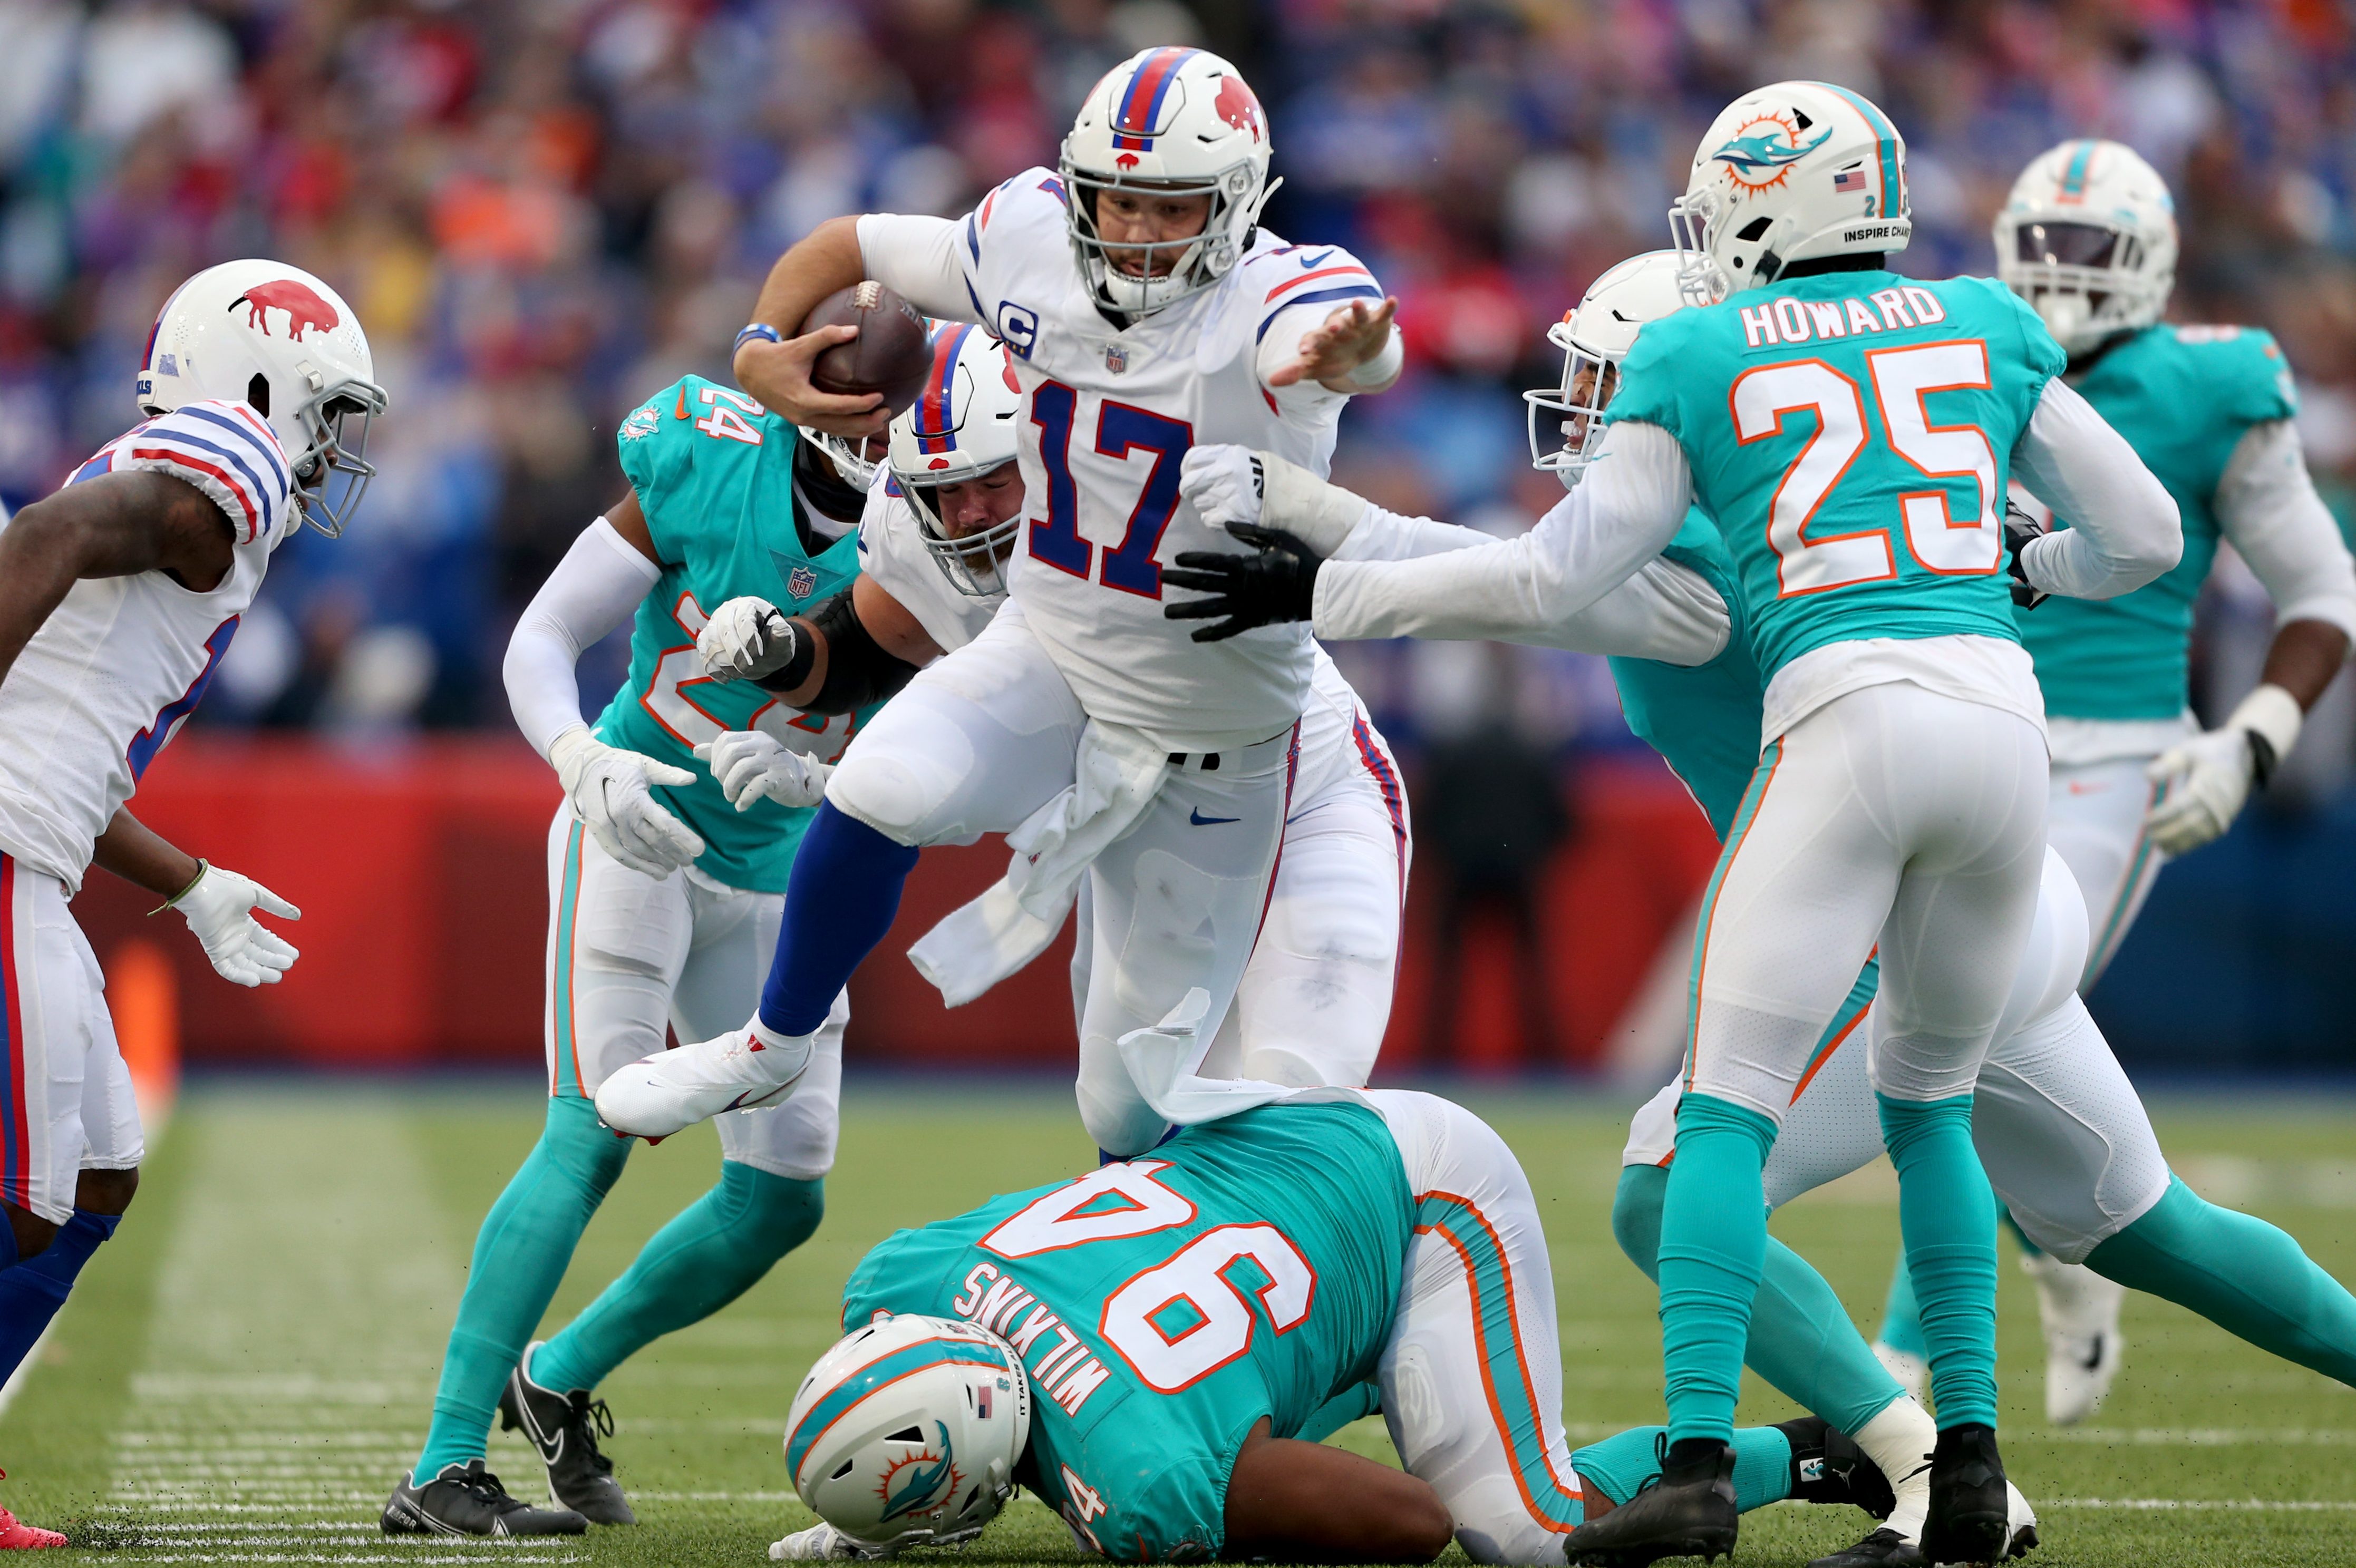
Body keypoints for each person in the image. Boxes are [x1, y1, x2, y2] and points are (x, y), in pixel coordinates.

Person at [1177, 246, 2356, 1568]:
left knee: (1663, 1182)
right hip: (1987, 889)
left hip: (1887, 913)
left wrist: (1317, 552)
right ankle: (1947, 1461)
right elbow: (1499, 559)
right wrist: (1315, 512)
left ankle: (1918, 1463)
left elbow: (1514, 587)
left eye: (1607, 383)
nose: (1587, 410)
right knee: (2151, 1231)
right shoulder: (1758, 518)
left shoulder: (1702, 563)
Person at [593, 46, 1412, 1158]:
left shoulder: (1278, 298)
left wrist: (1355, 357)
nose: (1136, 233)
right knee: (883, 783)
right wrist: (756, 351)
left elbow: (1347, 337)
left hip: (1235, 733)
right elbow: (855, 245)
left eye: (1170, 208)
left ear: (1233, 206)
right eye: (1117, 201)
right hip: (1062, 645)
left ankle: (1300, 1241)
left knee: (1151, 1105)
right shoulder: (1027, 248)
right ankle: (771, 1043)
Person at [1867, 137, 2356, 1427]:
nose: (2059, 273)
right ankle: (2060, 1254)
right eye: (2039, 246)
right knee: (1946, 1038)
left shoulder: (2209, 384)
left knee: (1965, 1026)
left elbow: (2322, 589)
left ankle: (1905, 1361)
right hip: (1961, 730)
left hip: (2113, 756)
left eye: (2088, 250)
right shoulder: (1954, 353)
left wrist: (2252, 737)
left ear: (2150, 261)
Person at [382, 372, 875, 1537]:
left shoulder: (950, 542)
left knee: (781, 1201)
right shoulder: (715, 462)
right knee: (592, 1128)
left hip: (779, 878)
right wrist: (578, 758)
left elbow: (954, 738)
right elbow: (544, 634)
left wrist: (830, 780)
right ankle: (443, 1467)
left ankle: (554, 1377)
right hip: (636, 831)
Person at [695, 322, 1413, 1091]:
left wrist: (832, 782)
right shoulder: (911, 530)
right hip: (1140, 820)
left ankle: (1412, 1158)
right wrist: (785, 656)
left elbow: (1083, 728)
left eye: (991, 482)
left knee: (1300, 1089)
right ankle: (772, 1044)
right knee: (1128, 1112)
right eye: (945, 490)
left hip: (1303, 788)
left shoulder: (1139, 516)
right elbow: (870, 651)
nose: (970, 514)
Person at [768, 1090, 1907, 1566]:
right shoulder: (903, 1278)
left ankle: (1812, 1454)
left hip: (1423, 1210)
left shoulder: (1140, 1476)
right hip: (1284, 1141)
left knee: (1523, 1534)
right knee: (1238, 1419)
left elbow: (1410, 1525)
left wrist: (1185, 1501)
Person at [0, 259, 384, 1547]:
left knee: (97, 1173)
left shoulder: (186, 491)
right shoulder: (230, 459)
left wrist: (195, 881)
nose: (333, 449)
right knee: (24, 1195)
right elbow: (42, 540)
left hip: (33, 848)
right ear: (262, 383)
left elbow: (68, 757)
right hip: (4, 853)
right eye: (329, 413)